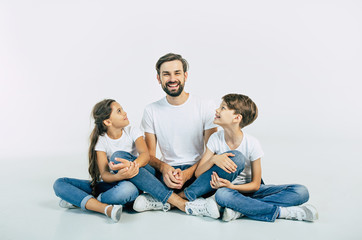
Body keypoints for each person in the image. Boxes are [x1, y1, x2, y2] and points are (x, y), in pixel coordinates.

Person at [54, 99, 219, 222]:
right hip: (117, 182)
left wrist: (133, 167)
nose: (125, 112)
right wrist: (120, 176)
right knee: (59, 183)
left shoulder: (133, 131)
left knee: (125, 177)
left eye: (122, 109)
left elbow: (145, 156)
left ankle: (80, 200)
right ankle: (100, 206)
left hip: (140, 180)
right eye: (119, 111)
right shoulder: (102, 141)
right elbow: (105, 174)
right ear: (107, 122)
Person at [198, 93, 318, 222]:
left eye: (223, 108)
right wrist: (213, 159)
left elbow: (255, 185)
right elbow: (199, 172)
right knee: (222, 195)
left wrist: (233, 187)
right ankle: (282, 212)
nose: (217, 110)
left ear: (237, 118)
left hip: (249, 190)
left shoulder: (252, 143)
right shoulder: (215, 139)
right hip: (228, 192)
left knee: (301, 191)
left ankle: (241, 209)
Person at [133, 53, 219, 214]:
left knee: (232, 159)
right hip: (167, 176)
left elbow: (213, 151)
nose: (172, 79)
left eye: (177, 73)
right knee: (128, 160)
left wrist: (187, 174)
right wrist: (164, 168)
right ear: (159, 78)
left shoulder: (206, 105)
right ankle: (185, 201)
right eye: (166, 74)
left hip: (198, 172)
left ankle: (166, 199)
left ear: (185, 76)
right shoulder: (151, 110)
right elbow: (149, 155)